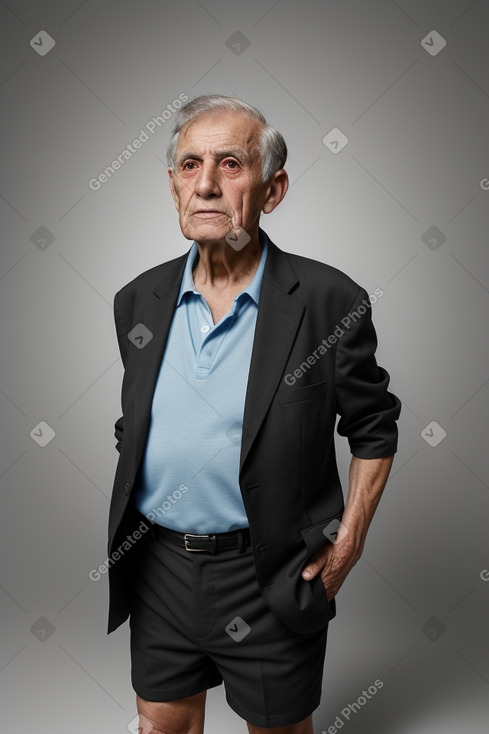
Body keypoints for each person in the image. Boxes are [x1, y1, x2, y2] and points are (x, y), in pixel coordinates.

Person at [107, 94, 401, 734]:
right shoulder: (138, 301)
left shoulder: (328, 302)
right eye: (190, 165)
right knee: (161, 727)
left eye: (231, 164)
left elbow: (374, 430)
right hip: (159, 568)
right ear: (172, 184)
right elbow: (138, 423)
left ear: (274, 189)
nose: (206, 184)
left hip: (268, 572)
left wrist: (348, 543)